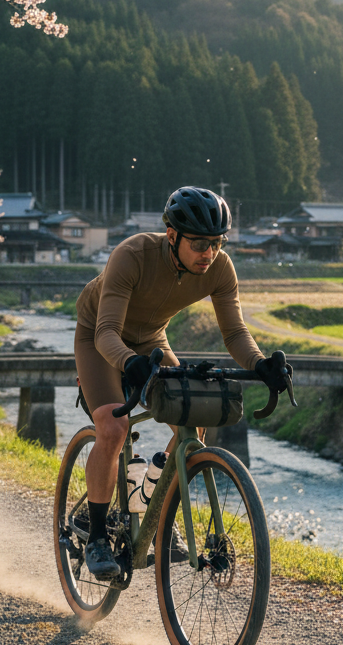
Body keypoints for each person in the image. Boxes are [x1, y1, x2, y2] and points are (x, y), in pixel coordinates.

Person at [73, 185, 291, 579]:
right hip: (100, 337)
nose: (209, 253)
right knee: (114, 426)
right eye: (200, 244)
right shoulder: (133, 254)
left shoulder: (220, 268)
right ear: (172, 236)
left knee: (194, 419)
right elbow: (106, 333)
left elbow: (234, 332)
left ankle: (157, 504)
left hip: (152, 339)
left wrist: (260, 364)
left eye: (217, 243)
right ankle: (98, 537)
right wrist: (129, 362)